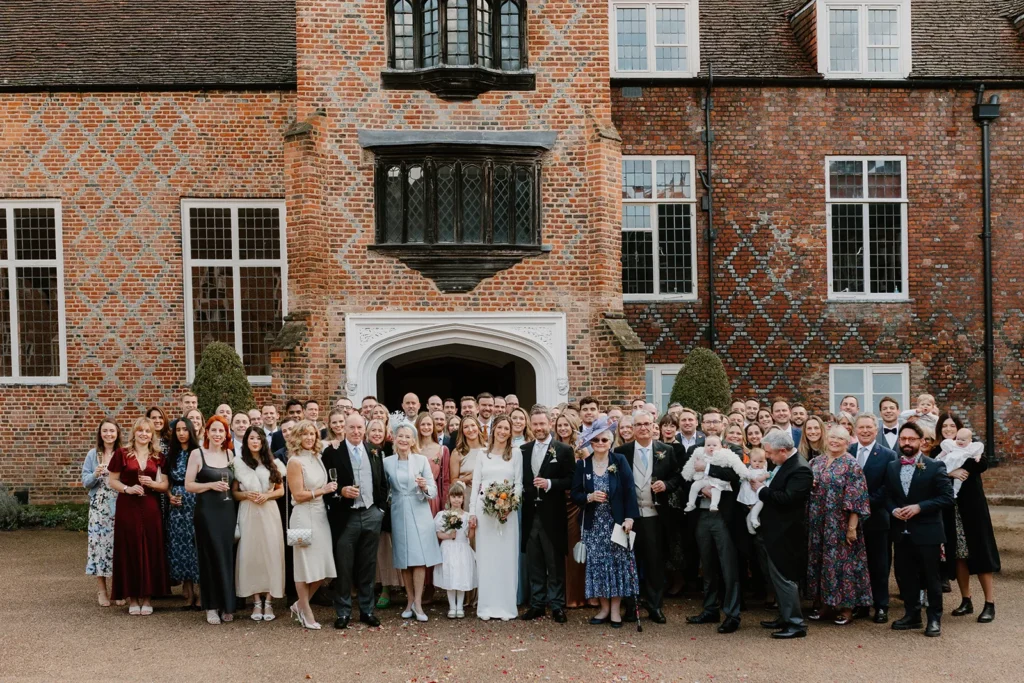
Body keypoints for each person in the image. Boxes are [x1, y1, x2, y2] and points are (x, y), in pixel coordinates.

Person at [886, 422, 954, 637]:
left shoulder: (935, 466)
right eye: (903, 439)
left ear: (921, 442)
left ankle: (934, 618)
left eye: (911, 439)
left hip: (927, 531)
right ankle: (912, 615)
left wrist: (919, 507)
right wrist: (893, 509)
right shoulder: (892, 466)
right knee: (905, 576)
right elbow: (888, 496)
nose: (907, 443)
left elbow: (947, 498)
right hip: (901, 532)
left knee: (931, 577)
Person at [571, 417, 639, 628]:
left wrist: (629, 518)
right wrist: (589, 497)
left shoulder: (619, 461)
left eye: (604, 440)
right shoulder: (583, 464)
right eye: (596, 440)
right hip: (593, 524)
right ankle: (604, 608)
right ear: (590, 443)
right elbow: (575, 494)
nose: (600, 444)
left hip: (616, 523)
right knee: (598, 566)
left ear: (611, 442)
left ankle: (616, 610)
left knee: (616, 566)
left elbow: (629, 490)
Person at [322, 413, 387, 629]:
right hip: (346, 516)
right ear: (345, 429)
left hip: (371, 514)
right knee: (344, 566)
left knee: (367, 566)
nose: (356, 432)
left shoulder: (374, 451)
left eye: (360, 427)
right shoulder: (332, 452)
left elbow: (382, 483)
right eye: (352, 428)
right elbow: (325, 484)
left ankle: (367, 611)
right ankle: (343, 612)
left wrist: (380, 510)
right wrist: (341, 490)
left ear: (364, 428)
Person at [615, 410, 681, 624]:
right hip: (629, 517)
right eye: (638, 424)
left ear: (654, 427)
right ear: (632, 429)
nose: (643, 428)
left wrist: (666, 485)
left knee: (654, 562)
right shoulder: (621, 452)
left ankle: (655, 606)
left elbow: (676, 476)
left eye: (647, 424)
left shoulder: (666, 450)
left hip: (655, 515)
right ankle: (631, 606)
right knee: (629, 561)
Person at [935, 414, 999, 623]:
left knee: (980, 552)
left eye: (952, 425)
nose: (948, 428)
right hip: (950, 510)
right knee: (958, 554)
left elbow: (981, 464)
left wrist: (963, 465)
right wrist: (950, 473)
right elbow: (932, 474)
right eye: (944, 425)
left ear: (960, 428)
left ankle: (989, 603)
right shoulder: (939, 451)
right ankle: (966, 600)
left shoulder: (972, 448)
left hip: (972, 508)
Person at [806, 425, 873, 625]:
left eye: (840, 439)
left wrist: (851, 528)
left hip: (840, 525)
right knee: (822, 563)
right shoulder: (815, 462)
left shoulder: (852, 465)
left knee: (844, 565)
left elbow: (858, 498)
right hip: (818, 523)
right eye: (832, 437)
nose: (835, 441)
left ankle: (846, 609)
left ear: (847, 442)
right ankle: (826, 605)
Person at [752, 429, 812, 639]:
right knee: (776, 577)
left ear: (783, 451)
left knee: (785, 578)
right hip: (775, 530)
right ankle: (784, 617)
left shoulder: (800, 470)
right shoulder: (784, 464)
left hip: (786, 533)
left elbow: (787, 499)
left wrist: (760, 490)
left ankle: (796, 624)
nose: (767, 456)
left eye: (769, 453)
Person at [108, 417, 170, 615]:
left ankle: (147, 597)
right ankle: (132, 598)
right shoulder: (122, 454)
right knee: (130, 549)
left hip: (150, 507)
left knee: (151, 549)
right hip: (128, 506)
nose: (144, 434)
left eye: (148, 431)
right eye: (141, 430)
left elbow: (165, 485)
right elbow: (112, 481)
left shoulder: (158, 456)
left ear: (152, 435)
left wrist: (153, 484)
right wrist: (127, 488)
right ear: (134, 432)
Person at [520, 409, 575, 624]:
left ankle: (557, 605)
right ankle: (537, 604)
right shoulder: (523, 450)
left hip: (552, 515)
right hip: (530, 514)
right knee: (534, 561)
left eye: (542, 424)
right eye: (535, 424)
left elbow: (571, 480)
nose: (539, 428)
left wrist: (550, 484)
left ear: (549, 423)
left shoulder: (563, 450)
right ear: (531, 426)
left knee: (554, 563)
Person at [383, 424, 442, 622]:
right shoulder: (387, 462)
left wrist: (425, 486)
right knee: (404, 559)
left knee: (419, 558)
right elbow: (385, 489)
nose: (404, 440)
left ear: (413, 440)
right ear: (395, 438)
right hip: (399, 511)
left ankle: (418, 602)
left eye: (408, 437)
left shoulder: (421, 460)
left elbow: (433, 490)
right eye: (400, 436)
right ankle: (408, 601)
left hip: (419, 509)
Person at [468, 414, 523, 621]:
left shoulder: (515, 454)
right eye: (499, 428)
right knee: (487, 558)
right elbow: (476, 485)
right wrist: (472, 512)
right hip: (485, 512)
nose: (502, 432)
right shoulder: (483, 455)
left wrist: (510, 505)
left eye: (506, 429)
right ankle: (487, 606)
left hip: (508, 513)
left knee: (506, 558)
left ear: (510, 433)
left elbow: (518, 484)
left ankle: (506, 607)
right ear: (493, 430)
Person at [185, 415, 237, 625]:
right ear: (207, 432)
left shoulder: (230, 454)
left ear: (227, 434)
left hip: (227, 511)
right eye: (214, 430)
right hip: (206, 512)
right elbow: (189, 485)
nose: (217, 434)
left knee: (227, 556)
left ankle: (228, 604)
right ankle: (211, 606)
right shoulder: (197, 454)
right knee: (209, 557)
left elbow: (235, 485)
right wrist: (210, 486)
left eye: (221, 431)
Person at [286, 420, 337, 629]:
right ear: (298, 437)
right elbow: (297, 495)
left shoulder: (317, 457)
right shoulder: (294, 462)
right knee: (303, 564)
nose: (309, 438)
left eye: (313, 434)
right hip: (301, 516)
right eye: (305, 434)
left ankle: (299, 605)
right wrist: (322, 491)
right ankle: (306, 611)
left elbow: (334, 441)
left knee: (324, 567)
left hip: (319, 515)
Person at [847, 413, 898, 622]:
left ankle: (881, 605)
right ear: (855, 430)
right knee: (857, 564)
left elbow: (889, 487)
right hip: (849, 519)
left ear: (876, 430)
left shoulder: (887, 455)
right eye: (861, 427)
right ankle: (861, 603)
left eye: (869, 427)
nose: (865, 431)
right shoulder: (847, 451)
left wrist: (862, 506)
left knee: (879, 564)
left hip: (876, 518)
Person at [233, 426, 286, 622]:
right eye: (251, 438)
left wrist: (266, 495)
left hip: (269, 511)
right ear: (246, 441)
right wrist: (246, 494)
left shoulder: (273, 463)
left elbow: (280, 491)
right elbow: (234, 493)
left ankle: (270, 601)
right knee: (251, 554)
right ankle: (256, 601)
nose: (255, 441)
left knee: (271, 553)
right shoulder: (238, 463)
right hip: (248, 512)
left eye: (258, 438)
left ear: (264, 441)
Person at [82, 419, 122, 607]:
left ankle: (118, 590)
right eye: (105, 431)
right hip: (99, 508)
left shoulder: (122, 453)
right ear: (100, 434)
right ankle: (102, 590)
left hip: (120, 504)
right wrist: (95, 474)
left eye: (112, 431)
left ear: (117, 433)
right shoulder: (93, 454)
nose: (108, 434)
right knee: (100, 548)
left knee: (118, 547)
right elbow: (85, 481)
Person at [166, 418, 201, 609]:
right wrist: (170, 495)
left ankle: (201, 592)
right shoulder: (171, 454)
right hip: (177, 504)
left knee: (196, 545)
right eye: (178, 430)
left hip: (195, 501)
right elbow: (166, 481)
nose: (181, 433)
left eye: (184, 429)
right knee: (181, 548)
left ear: (190, 431)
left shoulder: (198, 453)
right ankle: (187, 592)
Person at [554, 413, 585, 609]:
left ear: (573, 426)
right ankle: (560, 594)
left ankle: (577, 595)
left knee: (575, 546)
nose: (563, 428)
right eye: (559, 425)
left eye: (566, 425)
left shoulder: (582, 449)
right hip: (557, 501)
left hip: (575, 502)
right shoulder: (552, 448)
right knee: (558, 549)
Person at [434, 482, 477, 618]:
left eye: (459, 497)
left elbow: (469, 536)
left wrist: (471, 529)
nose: (456, 500)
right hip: (448, 548)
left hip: (462, 548)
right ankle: (452, 606)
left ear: (463, 498)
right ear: (449, 498)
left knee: (461, 576)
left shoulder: (467, 516)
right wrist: (448, 535)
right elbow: (438, 533)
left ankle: (460, 607)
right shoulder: (443, 515)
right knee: (450, 576)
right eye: (454, 496)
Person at [450, 415, 485, 489]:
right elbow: (453, 482)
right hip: (465, 495)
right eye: (466, 427)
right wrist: (469, 478)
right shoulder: (457, 453)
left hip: (488, 495)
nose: (470, 429)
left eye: (473, 425)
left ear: (478, 427)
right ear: (462, 431)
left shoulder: (489, 449)